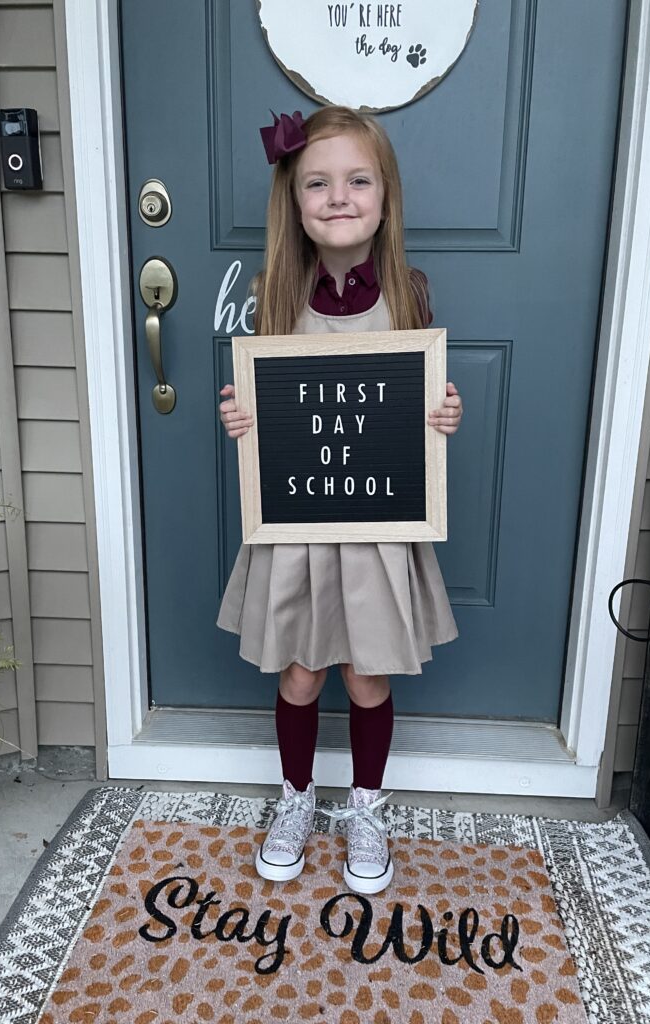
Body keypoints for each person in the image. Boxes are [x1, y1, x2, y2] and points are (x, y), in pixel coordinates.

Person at [216, 106, 463, 896]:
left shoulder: (410, 293)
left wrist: (441, 415)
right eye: (317, 183)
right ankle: (295, 801)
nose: (338, 197)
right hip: (297, 523)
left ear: (385, 197)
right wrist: (242, 417)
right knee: (297, 673)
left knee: (366, 676)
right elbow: (269, 407)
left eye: (358, 181)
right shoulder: (274, 295)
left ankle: (365, 811)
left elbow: (416, 402)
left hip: (378, 526)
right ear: (294, 203)